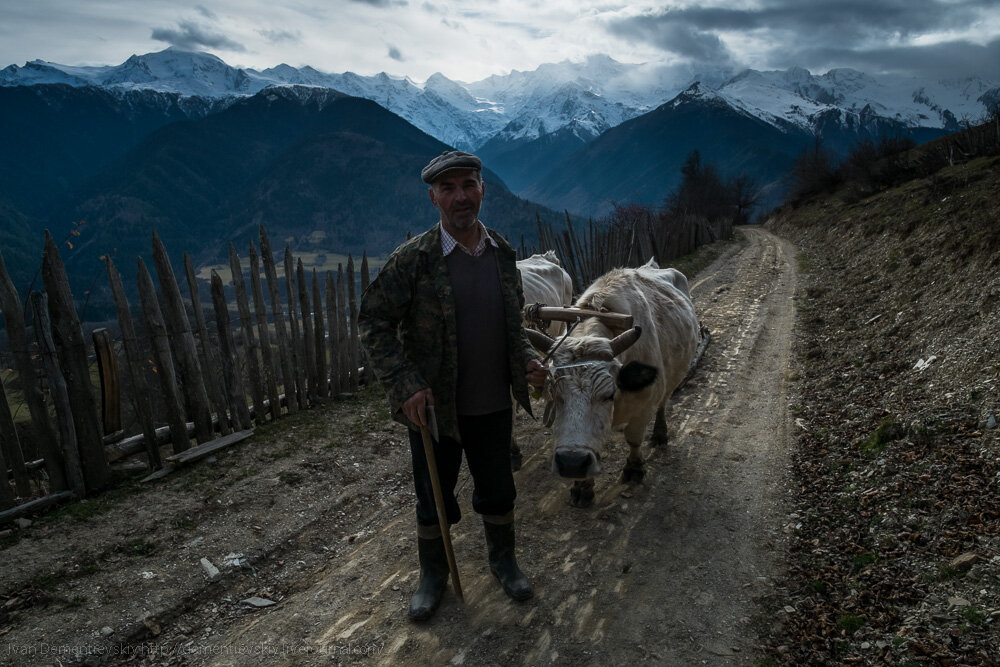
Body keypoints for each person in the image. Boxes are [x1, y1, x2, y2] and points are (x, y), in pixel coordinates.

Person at [359, 150, 547, 622]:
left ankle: (503, 560)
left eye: (468, 185)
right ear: (433, 198)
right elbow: (373, 321)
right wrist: (405, 384)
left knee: (499, 489)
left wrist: (526, 358)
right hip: (433, 410)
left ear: (483, 189)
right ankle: (433, 575)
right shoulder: (414, 261)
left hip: (492, 404)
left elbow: (511, 325)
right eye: (449, 189)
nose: (460, 196)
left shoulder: (502, 255)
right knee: (434, 496)